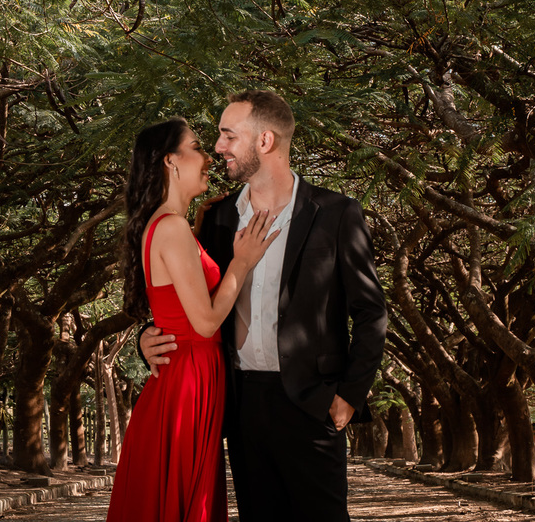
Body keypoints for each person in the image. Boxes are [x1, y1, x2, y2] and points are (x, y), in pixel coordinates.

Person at [141, 90, 388, 522]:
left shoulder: (337, 213)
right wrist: (148, 335)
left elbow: (371, 312)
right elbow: (186, 297)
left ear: (265, 141)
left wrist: (349, 395)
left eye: (228, 136)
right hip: (241, 405)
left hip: (313, 404)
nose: (218, 148)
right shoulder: (215, 220)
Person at [107, 118, 280, 522]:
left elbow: (177, 301)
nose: (209, 157)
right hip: (188, 377)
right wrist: (242, 261)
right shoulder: (170, 228)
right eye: (198, 147)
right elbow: (203, 322)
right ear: (171, 161)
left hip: (188, 374)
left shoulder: (171, 226)